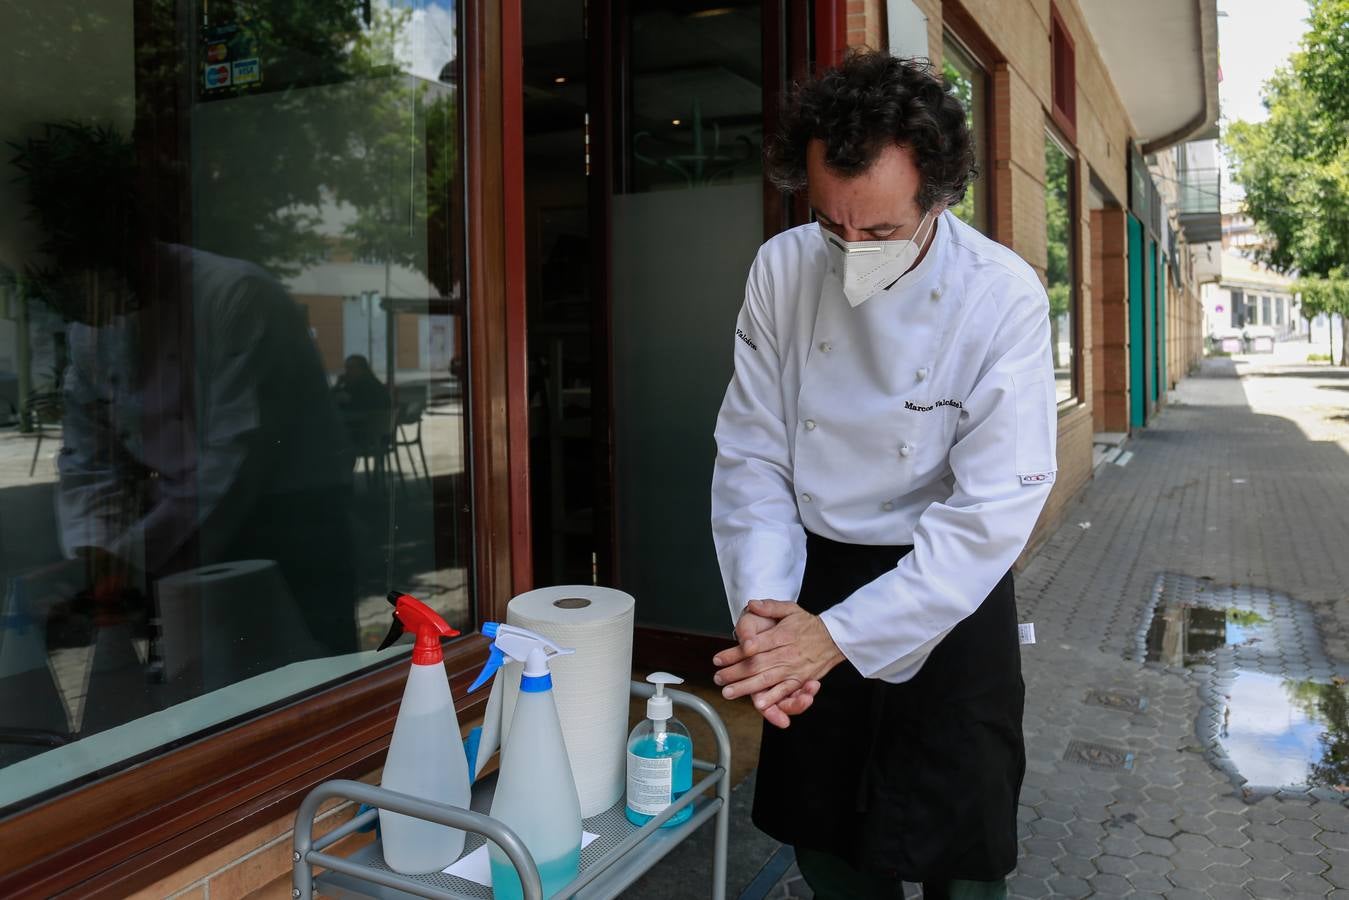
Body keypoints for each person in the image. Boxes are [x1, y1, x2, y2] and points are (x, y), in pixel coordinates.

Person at [710, 52, 1058, 899]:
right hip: (813, 577)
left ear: (937, 195)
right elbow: (754, 453)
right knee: (824, 836)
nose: (850, 251)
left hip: (944, 582)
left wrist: (836, 638)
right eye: (833, 226)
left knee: (961, 844)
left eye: (878, 233)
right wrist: (766, 615)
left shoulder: (1000, 298)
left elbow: (987, 514)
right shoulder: (781, 270)